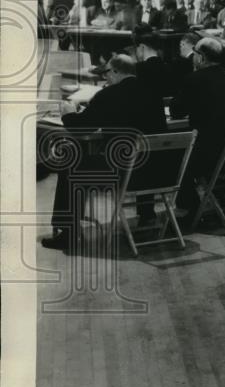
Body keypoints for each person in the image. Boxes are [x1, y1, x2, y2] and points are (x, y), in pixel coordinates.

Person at [42, 54, 168, 250]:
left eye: (107, 73)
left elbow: (82, 129)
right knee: (138, 154)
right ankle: (147, 215)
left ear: (116, 71)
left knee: (70, 163)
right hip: (156, 172)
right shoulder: (154, 93)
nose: (105, 78)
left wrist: (69, 114)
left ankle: (67, 234)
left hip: (122, 173)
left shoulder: (108, 95)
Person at [169, 38, 225, 219]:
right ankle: (224, 199)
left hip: (210, 157)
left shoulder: (194, 79)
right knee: (218, 139)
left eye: (195, 53)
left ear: (202, 57)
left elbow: (176, 110)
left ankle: (192, 207)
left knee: (175, 157)